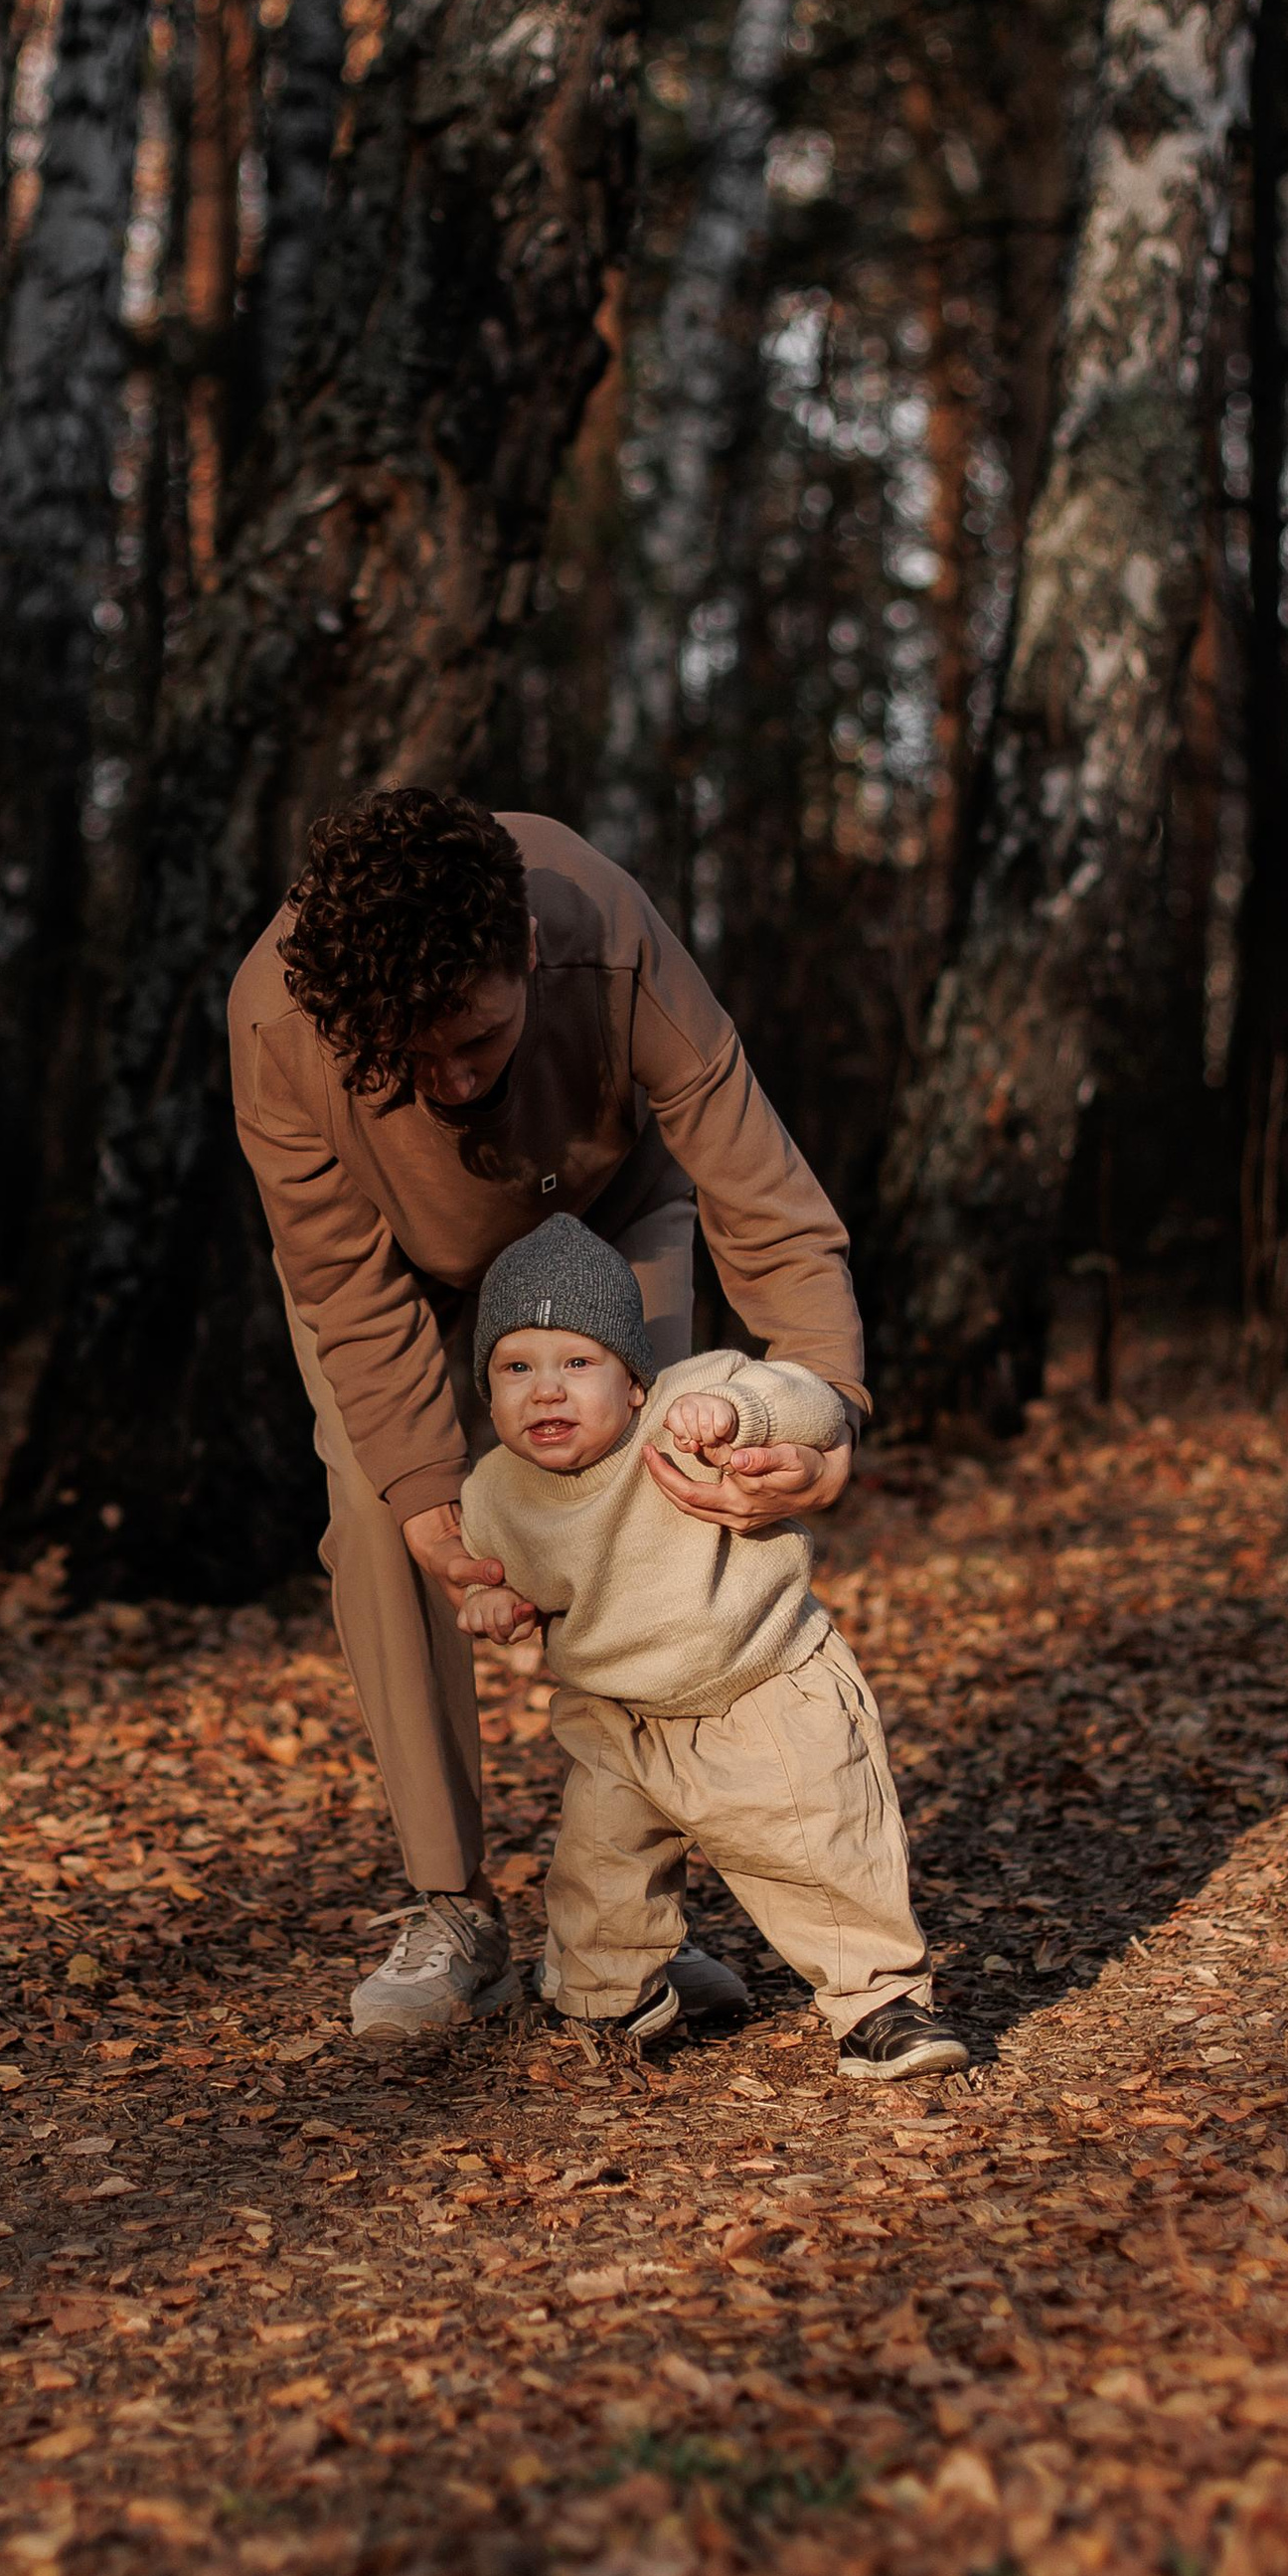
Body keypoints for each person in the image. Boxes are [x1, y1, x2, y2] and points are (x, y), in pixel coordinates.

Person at [228, 786, 871, 2042]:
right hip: (386, 1271)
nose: (452, 1083)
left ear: (524, 952)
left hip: (606, 1218)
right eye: (410, 1063)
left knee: (674, 1497)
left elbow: (763, 1196)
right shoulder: (276, 1020)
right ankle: (449, 1906)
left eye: (475, 1040)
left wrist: (826, 1414)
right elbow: (348, 1297)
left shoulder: (606, 930)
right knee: (374, 1516)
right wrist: (428, 1500)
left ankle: (628, 1918)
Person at [455, 1216, 966, 2081]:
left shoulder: (687, 1407)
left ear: (633, 1381)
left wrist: (739, 1409)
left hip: (752, 1682)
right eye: (516, 1369)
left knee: (814, 1846)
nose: (545, 1391)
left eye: (577, 1363)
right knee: (598, 1871)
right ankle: (610, 2001)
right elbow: (505, 1575)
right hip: (616, 1711)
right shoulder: (496, 1487)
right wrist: (494, 1601)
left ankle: (879, 2003)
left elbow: (811, 1398)